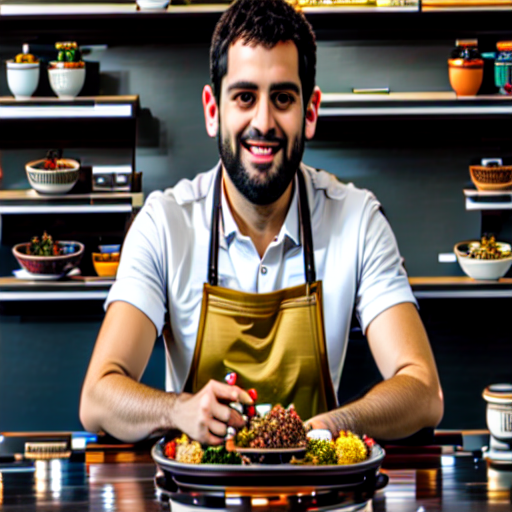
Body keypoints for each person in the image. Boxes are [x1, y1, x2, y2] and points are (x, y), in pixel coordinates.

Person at [80, 0, 443, 445]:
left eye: (283, 98)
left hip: (318, 494)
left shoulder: (357, 220)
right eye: (245, 97)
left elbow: (424, 390)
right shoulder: (164, 224)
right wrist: (179, 410)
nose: (264, 122)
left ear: (310, 112)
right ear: (214, 110)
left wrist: (329, 428)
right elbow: (97, 398)